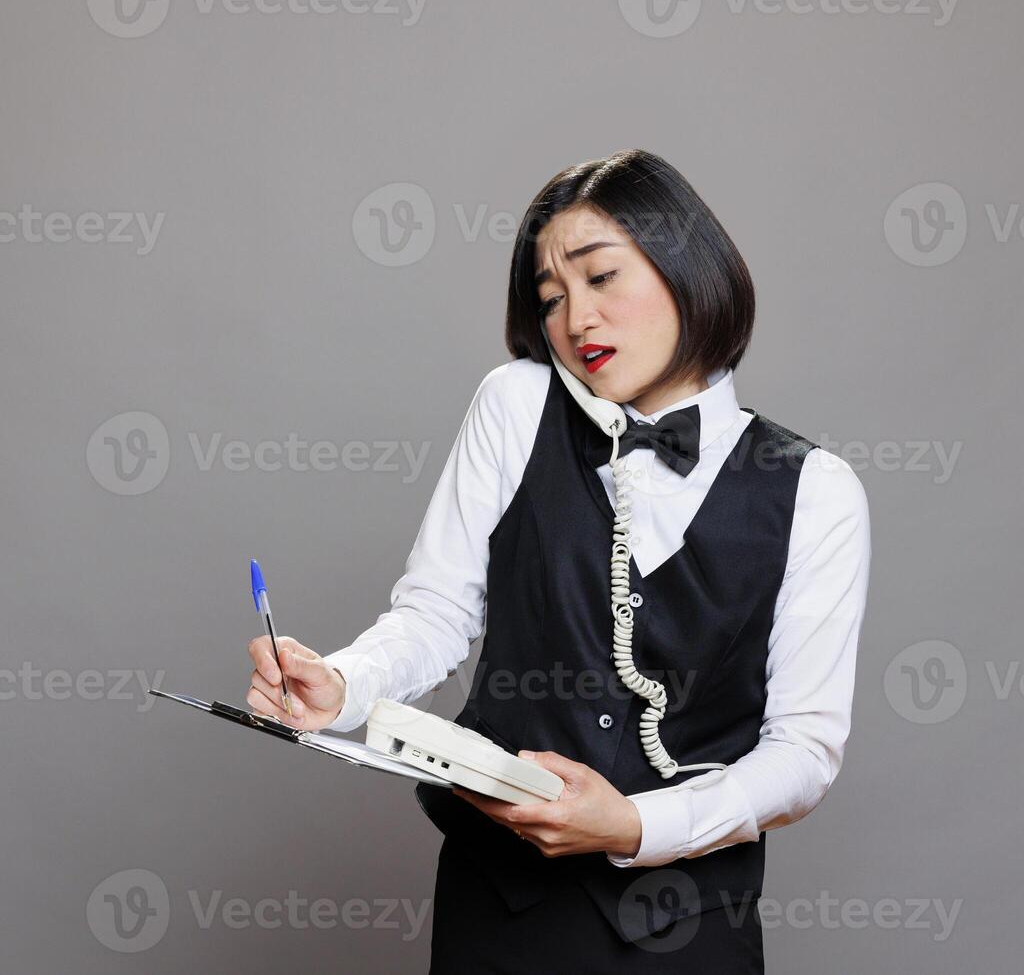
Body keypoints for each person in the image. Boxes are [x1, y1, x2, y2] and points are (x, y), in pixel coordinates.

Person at [245, 148, 871, 972]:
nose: (577, 321)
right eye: (551, 298)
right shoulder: (515, 405)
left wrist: (636, 827)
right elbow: (436, 613)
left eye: (602, 276)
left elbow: (803, 754)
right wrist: (344, 684)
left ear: (687, 265)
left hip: (689, 931)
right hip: (499, 913)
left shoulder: (818, 491)